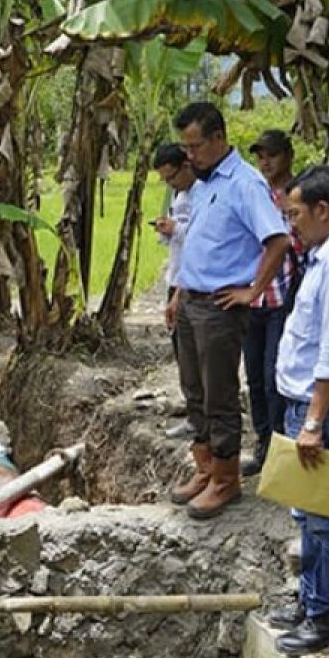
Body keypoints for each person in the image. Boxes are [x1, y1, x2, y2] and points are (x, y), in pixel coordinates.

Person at [167, 102, 291, 519]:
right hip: (191, 300)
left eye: (196, 145)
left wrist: (253, 290)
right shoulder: (204, 184)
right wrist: (178, 293)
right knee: (194, 389)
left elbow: (278, 239)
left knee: (219, 393)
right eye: (186, 147)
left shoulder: (244, 184)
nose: (190, 155)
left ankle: (225, 479)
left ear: (218, 138)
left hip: (220, 306)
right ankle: (205, 468)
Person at [267, 165, 329, 655]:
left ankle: (327, 613)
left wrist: (313, 421)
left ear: (322, 211)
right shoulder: (324, 258)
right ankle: (311, 601)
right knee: (307, 516)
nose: (292, 225)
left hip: (321, 411)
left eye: (295, 214)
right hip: (306, 407)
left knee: (327, 518)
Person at [242, 130, 302, 477]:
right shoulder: (256, 193)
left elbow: (302, 246)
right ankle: (264, 443)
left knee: (274, 375)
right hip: (253, 299)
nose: (266, 163)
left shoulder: (299, 195)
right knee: (254, 377)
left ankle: (280, 447)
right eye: (261, 157)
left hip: (283, 299)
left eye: (272, 155)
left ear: (287, 156)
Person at [151, 143, 197, 440]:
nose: (171, 184)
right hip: (177, 277)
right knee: (182, 349)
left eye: (172, 177)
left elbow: (204, 237)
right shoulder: (180, 195)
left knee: (194, 352)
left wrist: (176, 230)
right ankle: (193, 407)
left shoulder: (203, 195)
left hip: (192, 281)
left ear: (186, 166)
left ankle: (199, 416)